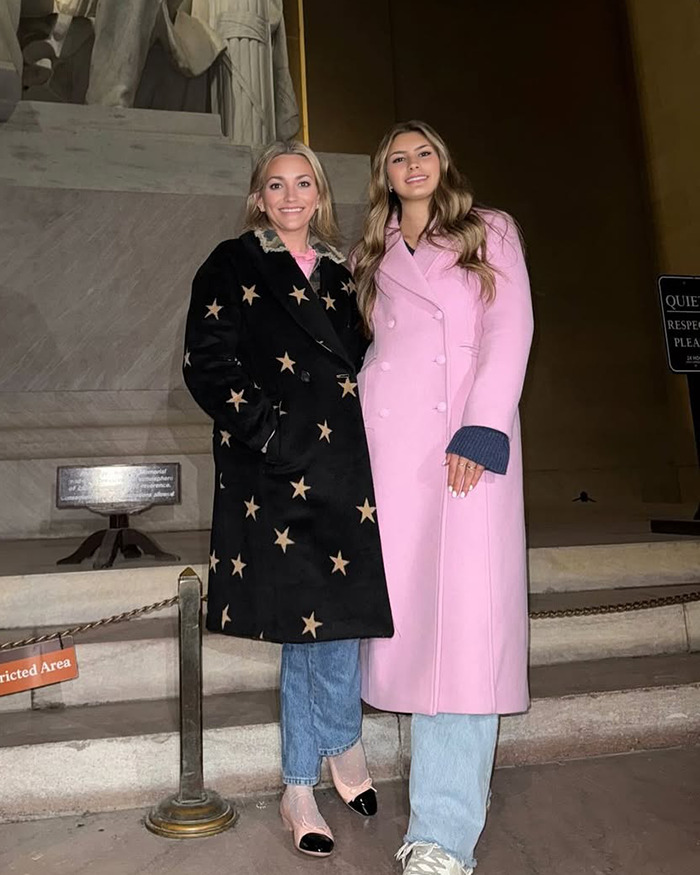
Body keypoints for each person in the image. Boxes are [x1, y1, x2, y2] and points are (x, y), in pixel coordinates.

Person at [183, 140, 393, 857]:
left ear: (321, 194)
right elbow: (204, 360)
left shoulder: (344, 271)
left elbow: (378, 362)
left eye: (304, 183)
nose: (292, 196)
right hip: (276, 474)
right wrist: (266, 430)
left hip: (347, 472)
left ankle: (337, 749)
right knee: (307, 631)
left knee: (339, 620)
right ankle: (303, 780)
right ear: (259, 196)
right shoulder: (233, 262)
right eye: (277, 185)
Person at [353, 121, 534, 875]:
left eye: (422, 151)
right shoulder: (374, 255)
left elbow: (511, 325)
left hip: (467, 446)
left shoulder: (490, 230)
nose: (412, 164)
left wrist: (484, 428)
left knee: (465, 636)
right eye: (398, 157)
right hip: (393, 457)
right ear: (386, 176)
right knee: (417, 631)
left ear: (443, 162)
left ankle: (442, 836)